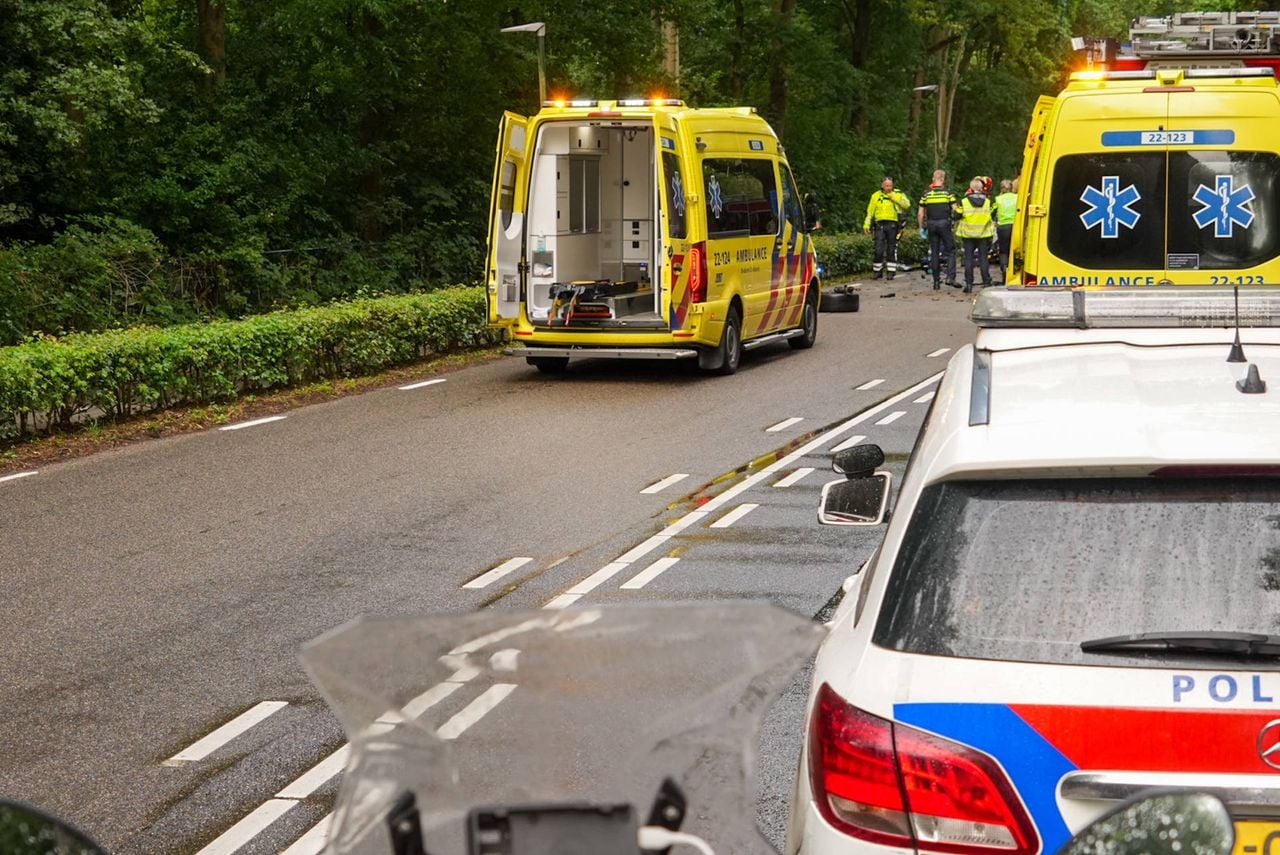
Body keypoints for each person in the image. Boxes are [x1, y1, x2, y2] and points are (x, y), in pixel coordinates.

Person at [863, 177, 912, 280]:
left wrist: (894, 197)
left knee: (891, 249)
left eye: (890, 185)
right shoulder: (876, 196)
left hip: (893, 224)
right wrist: (866, 224)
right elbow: (870, 212)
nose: (888, 188)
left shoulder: (898, 193)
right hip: (879, 225)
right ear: (882, 185)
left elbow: (907, 205)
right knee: (878, 249)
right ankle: (877, 271)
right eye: (886, 185)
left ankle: (891, 271)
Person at [917, 169, 958, 290]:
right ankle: (950, 277)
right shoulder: (948, 194)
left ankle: (936, 282)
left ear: (933, 179)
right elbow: (955, 210)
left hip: (931, 224)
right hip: (944, 223)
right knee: (951, 251)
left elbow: (920, 214)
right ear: (943, 179)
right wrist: (956, 223)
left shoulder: (926, 195)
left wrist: (921, 227)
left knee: (934, 252)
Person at [956, 177, 996, 293]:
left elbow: (956, 214)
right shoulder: (988, 202)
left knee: (969, 259)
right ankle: (986, 281)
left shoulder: (964, 202)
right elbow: (992, 214)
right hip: (983, 234)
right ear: (982, 188)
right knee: (983, 258)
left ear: (971, 188)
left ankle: (969, 284)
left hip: (968, 235)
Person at [994, 179, 1017, 283]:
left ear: (1001, 188)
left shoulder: (998, 199)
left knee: (1004, 251)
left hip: (1003, 226)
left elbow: (992, 211)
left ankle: (1004, 269)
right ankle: (1015, 273)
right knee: (1015, 249)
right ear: (1012, 188)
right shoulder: (1017, 197)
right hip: (1016, 226)